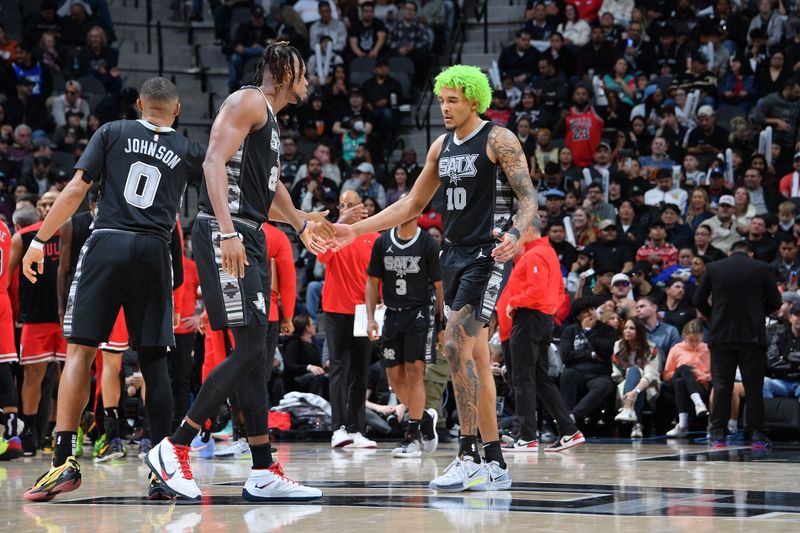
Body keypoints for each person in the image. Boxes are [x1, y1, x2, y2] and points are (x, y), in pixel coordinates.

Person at [332, 65, 538, 491]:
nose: (444, 107)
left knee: (453, 345)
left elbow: (528, 198)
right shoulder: (441, 147)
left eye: (453, 100)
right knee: (476, 361)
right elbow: (410, 205)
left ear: (475, 101)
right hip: (454, 253)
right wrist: (356, 229)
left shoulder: (499, 139)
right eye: (442, 99)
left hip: (489, 252)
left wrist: (517, 234)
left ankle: (467, 454)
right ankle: (496, 461)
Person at [148, 45, 328, 501]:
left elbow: (270, 188)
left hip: (248, 232)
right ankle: (176, 446)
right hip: (225, 232)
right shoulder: (248, 100)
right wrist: (227, 233)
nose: (309, 78)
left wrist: (302, 223)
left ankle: (264, 469)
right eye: (303, 71)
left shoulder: (268, 117)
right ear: (286, 72)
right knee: (249, 350)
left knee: (254, 353)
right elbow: (211, 162)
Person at [20, 78, 204, 501]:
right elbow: (226, 188)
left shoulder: (112, 131)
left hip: (107, 242)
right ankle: (163, 468)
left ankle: (63, 461)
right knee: (156, 362)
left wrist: (37, 240)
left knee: (81, 352)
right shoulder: (189, 149)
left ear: (139, 105)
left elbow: (75, 190)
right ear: (177, 111)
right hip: (156, 248)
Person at [365, 213, 443, 458]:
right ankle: (426, 418)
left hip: (418, 316)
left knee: (414, 374)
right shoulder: (382, 242)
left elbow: (441, 287)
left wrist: (442, 325)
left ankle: (412, 438)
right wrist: (369, 318)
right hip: (392, 315)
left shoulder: (428, 243)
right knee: (394, 378)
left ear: (417, 212)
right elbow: (371, 281)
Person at [504, 222, 584, 451]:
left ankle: (527, 436)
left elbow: (537, 290)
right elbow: (559, 292)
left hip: (529, 319)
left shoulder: (535, 254)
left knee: (522, 377)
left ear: (528, 229)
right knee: (539, 378)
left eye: (517, 230)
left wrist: (514, 303)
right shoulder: (547, 253)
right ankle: (570, 431)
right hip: (544, 319)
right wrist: (548, 312)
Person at [694, 240, 782, 449]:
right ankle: (756, 436)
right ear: (750, 253)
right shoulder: (762, 268)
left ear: (729, 252)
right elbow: (776, 302)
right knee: (753, 387)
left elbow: (698, 299)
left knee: (722, 386)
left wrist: (714, 317)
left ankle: (717, 435)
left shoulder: (714, 267)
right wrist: (759, 313)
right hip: (752, 336)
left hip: (721, 336)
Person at [321, 190, 379, 449]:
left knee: (360, 371)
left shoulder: (374, 238)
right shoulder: (332, 234)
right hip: (335, 308)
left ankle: (356, 429)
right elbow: (321, 257)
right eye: (343, 205)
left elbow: (379, 278)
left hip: (364, 312)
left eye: (351, 205)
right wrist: (339, 222)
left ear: (363, 209)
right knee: (338, 368)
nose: (347, 209)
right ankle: (338, 429)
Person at [8, 196, 62, 457]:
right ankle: (29, 431)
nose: (49, 208)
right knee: (33, 376)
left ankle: (59, 431)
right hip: (35, 318)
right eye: (44, 205)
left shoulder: (73, 232)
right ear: (38, 209)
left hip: (68, 317)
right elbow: (5, 279)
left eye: (54, 203)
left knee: (70, 376)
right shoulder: (24, 237)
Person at [559, 297, 618, 425]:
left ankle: (572, 417)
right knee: (567, 375)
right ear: (578, 316)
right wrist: (590, 354)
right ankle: (566, 420)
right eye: (586, 311)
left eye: (592, 309)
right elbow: (566, 355)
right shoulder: (570, 330)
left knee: (605, 384)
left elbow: (606, 351)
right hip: (577, 372)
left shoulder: (607, 330)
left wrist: (589, 332)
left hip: (599, 373)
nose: (591, 313)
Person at [612, 318, 661, 439]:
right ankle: (637, 424)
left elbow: (650, 375)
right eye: (625, 328)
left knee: (635, 372)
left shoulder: (651, 348)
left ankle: (628, 409)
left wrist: (636, 390)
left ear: (639, 332)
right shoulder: (618, 346)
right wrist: (631, 382)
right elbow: (617, 374)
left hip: (648, 386)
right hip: (624, 383)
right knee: (632, 372)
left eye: (631, 328)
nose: (627, 331)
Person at [662, 320, 711, 438]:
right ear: (684, 336)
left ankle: (682, 424)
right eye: (691, 340)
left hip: (699, 385)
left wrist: (699, 374)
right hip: (675, 380)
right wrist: (686, 372)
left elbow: (711, 375)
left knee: (681, 382)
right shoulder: (676, 349)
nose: (694, 344)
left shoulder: (707, 349)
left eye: (697, 340)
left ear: (702, 337)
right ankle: (698, 403)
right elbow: (667, 375)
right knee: (684, 369)